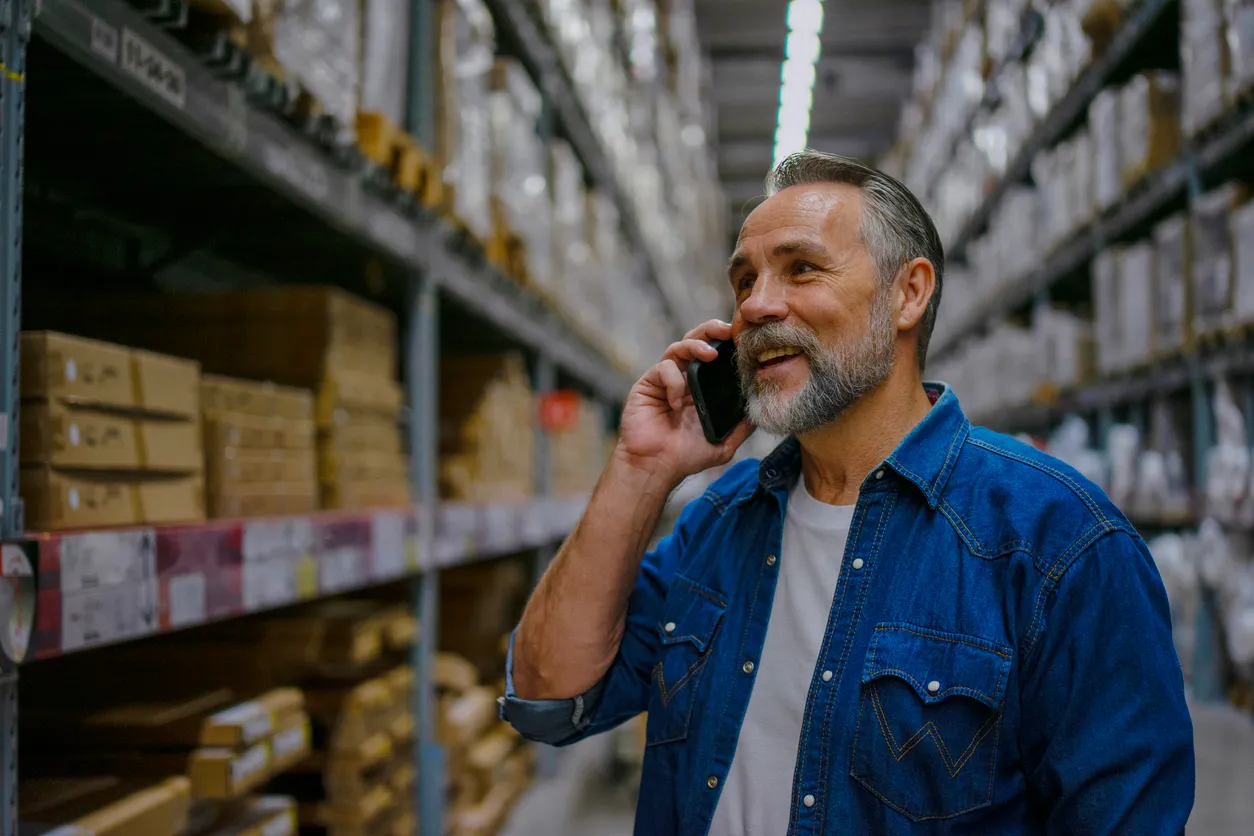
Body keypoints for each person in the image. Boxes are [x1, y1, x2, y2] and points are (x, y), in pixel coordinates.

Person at [500, 151, 1195, 834]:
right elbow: (546, 697)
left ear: (908, 294)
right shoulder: (721, 519)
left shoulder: (1059, 543)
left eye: (801, 269)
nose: (758, 305)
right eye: (744, 281)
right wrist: (641, 467)